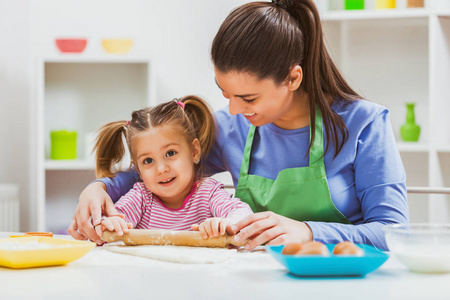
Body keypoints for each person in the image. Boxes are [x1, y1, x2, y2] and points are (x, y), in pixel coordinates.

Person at [69, 0, 409, 250]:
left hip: (345, 282)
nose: (231, 109)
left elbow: (395, 231)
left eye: (248, 98)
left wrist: (308, 231)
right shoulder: (230, 126)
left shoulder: (365, 125)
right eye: (225, 93)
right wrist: (100, 188)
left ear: (293, 78)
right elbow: (156, 166)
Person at [84, 95, 253, 240]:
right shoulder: (141, 197)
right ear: (138, 170)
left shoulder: (208, 193)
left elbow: (242, 212)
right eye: (148, 161)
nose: (161, 169)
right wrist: (111, 223)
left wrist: (226, 223)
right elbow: (111, 220)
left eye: (170, 153)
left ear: (194, 151)